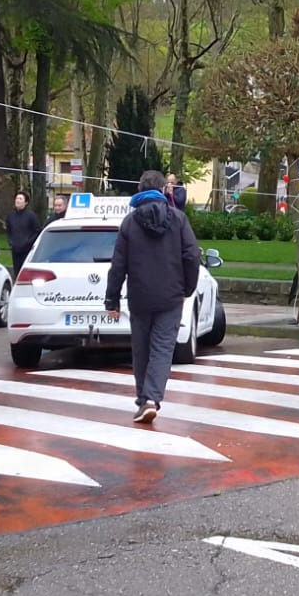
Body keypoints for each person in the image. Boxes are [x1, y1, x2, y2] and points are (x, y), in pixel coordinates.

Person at [104, 169, 203, 423]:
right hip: (170, 296)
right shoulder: (178, 219)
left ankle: (142, 399)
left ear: (139, 190)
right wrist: (188, 287)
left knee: (141, 351)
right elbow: (192, 255)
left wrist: (111, 299)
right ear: (162, 190)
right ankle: (151, 399)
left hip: (139, 296)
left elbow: (118, 264)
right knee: (162, 349)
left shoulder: (129, 223)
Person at [4, 191, 43, 274]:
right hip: (15, 249)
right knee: (17, 271)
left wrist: (28, 242)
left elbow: (37, 231)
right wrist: (11, 242)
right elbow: (8, 230)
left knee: (26, 271)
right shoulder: (10, 215)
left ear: (26, 202)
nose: (18, 200)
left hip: (27, 249)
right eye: (17, 198)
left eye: (20, 199)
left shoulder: (31, 216)